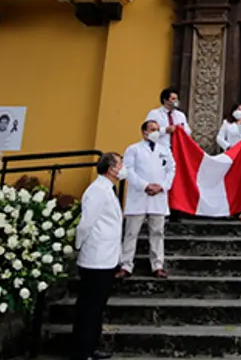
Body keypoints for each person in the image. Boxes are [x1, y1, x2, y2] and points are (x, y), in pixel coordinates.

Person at [71, 152, 124, 360]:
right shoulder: (97, 191)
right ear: (111, 169)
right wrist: (78, 245)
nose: (123, 168)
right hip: (95, 258)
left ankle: (91, 346)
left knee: (97, 306)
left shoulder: (107, 189)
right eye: (120, 164)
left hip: (106, 258)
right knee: (89, 307)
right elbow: (86, 223)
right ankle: (82, 351)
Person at [119, 120, 176, 279]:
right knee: (131, 232)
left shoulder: (165, 150)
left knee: (157, 232)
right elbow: (129, 170)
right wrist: (145, 186)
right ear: (144, 132)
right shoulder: (133, 149)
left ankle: (157, 265)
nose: (156, 132)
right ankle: (126, 265)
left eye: (157, 129)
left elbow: (171, 170)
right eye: (152, 129)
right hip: (139, 196)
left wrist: (162, 186)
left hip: (158, 196)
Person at [145, 87, 192, 152]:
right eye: (173, 99)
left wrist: (181, 129)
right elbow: (148, 134)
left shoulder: (180, 115)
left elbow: (188, 132)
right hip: (160, 150)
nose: (176, 101)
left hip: (177, 150)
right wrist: (165, 130)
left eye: (177, 99)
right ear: (165, 100)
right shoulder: (154, 114)